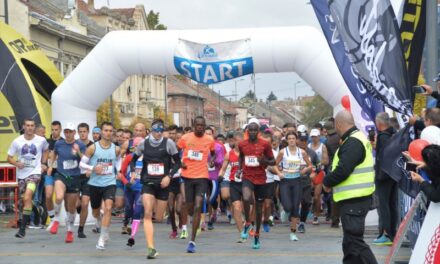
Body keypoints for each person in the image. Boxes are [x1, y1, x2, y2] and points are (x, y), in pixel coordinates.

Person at [323, 110, 377, 264]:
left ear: (339, 124)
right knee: (349, 243)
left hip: (355, 199)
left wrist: (327, 182)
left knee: (354, 242)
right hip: (354, 200)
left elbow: (343, 170)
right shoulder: (354, 139)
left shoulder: (353, 142)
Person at [130, 119, 180, 259]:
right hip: (148, 182)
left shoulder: (169, 143)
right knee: (147, 213)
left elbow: (178, 163)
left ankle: (156, 217)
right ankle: (151, 248)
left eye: (160, 131)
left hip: (163, 183)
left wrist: (169, 176)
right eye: (155, 131)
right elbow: (133, 160)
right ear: (150, 131)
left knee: (158, 218)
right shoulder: (143, 144)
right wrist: (134, 172)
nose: (158, 134)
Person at [80, 122, 121, 250]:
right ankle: (98, 220)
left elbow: (118, 161)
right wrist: (93, 168)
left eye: (110, 130)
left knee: (108, 208)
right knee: (96, 211)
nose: (108, 133)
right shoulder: (93, 148)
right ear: (101, 132)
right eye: (106, 130)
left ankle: (102, 238)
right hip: (94, 184)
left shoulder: (116, 149)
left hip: (110, 183)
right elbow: (81, 164)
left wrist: (118, 171)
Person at [177, 116, 216, 253]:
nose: (200, 127)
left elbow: (213, 154)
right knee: (189, 207)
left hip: (202, 177)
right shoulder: (186, 138)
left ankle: (192, 241)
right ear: (193, 125)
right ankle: (192, 220)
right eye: (197, 125)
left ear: (205, 126)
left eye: (202, 125)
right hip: (187, 176)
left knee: (198, 205)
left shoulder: (209, 139)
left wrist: (212, 161)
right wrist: (180, 162)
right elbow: (175, 152)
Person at [7, 118, 49, 238]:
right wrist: (16, 164)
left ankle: (22, 229)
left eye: (32, 126)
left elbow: (46, 150)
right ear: (23, 127)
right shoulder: (17, 141)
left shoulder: (41, 140)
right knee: (24, 202)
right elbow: (9, 157)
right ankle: (35, 210)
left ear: (34, 127)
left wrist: (44, 163)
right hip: (21, 175)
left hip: (35, 173)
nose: (30, 128)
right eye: (27, 125)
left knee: (27, 196)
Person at [238, 120, 276, 249]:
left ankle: (257, 236)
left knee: (259, 210)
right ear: (247, 131)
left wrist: (263, 160)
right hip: (247, 176)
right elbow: (241, 157)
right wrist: (239, 169)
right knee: (247, 197)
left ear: (258, 132)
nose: (253, 132)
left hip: (260, 179)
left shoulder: (265, 144)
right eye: (250, 130)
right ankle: (248, 222)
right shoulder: (242, 144)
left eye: (255, 130)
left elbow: (273, 161)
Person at [47, 123, 86, 243]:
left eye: (70, 132)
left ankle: (70, 230)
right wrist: (50, 165)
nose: (68, 134)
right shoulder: (59, 143)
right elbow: (54, 153)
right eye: (66, 132)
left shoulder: (80, 144)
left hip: (74, 177)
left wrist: (78, 151)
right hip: (61, 174)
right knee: (58, 196)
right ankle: (56, 219)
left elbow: (84, 159)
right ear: (64, 133)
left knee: (71, 208)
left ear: (74, 132)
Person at [275, 132, 312, 241]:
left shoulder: (302, 152)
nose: (291, 140)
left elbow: (310, 165)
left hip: (297, 180)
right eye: (289, 138)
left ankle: (293, 232)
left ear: (296, 140)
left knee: (295, 207)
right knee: (288, 206)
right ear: (286, 140)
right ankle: (285, 211)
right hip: (285, 181)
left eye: (293, 138)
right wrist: (279, 173)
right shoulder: (282, 152)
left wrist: (305, 169)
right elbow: (274, 164)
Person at [373, 112, 397, 246]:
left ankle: (387, 233)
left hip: (384, 175)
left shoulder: (383, 137)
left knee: (384, 205)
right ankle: (392, 232)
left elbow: (383, 157)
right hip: (393, 174)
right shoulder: (395, 134)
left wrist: (380, 175)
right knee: (392, 203)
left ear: (379, 123)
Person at [296, 131, 319, 233]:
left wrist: (315, 173)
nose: (303, 143)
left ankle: (302, 222)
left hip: (306, 181)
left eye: (305, 141)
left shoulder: (312, 153)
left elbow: (319, 166)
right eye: (301, 140)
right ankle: (294, 219)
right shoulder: (293, 152)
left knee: (306, 202)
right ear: (298, 141)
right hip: (294, 180)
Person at [76, 122, 94, 238]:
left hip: (88, 177)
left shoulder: (93, 146)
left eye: (84, 132)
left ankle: (80, 229)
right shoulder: (74, 144)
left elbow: (96, 161)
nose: (82, 134)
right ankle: (78, 205)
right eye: (80, 132)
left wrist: (91, 170)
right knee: (78, 203)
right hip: (75, 176)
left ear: (88, 132)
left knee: (85, 203)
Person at [308, 128, 329, 225]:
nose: (314, 138)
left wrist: (317, 164)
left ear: (319, 137)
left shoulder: (322, 146)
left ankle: (316, 216)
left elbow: (326, 161)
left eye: (315, 137)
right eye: (312, 137)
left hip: (319, 172)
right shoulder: (308, 146)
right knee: (306, 196)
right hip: (309, 172)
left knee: (317, 196)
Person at [45, 121, 63, 230]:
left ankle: (57, 217)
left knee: (59, 196)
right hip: (49, 172)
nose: (54, 132)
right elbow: (44, 155)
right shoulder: (47, 142)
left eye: (56, 129)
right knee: (48, 195)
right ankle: (52, 219)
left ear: (60, 130)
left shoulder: (63, 142)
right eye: (52, 129)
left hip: (60, 172)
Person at [324, 120, 341, 228]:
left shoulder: (327, 141)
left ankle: (334, 219)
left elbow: (326, 159)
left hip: (332, 168)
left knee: (334, 196)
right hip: (343, 166)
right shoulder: (341, 137)